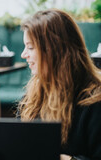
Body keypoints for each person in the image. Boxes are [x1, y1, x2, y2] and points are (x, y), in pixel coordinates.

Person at [18, 9, 101, 159]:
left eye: (30, 47)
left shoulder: (95, 101)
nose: (24, 54)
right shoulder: (32, 97)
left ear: (54, 50)